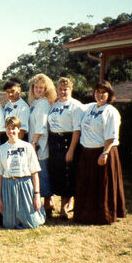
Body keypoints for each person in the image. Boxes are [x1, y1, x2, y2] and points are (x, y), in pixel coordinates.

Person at [75, 81, 126, 225]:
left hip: (103, 152)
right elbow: (75, 106)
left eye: (103, 92)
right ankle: (86, 215)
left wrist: (105, 153)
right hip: (88, 152)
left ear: (109, 95)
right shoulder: (90, 107)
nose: (100, 95)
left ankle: (103, 216)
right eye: (97, 91)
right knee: (88, 185)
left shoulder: (111, 111)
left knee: (103, 185)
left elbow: (111, 136)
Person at [0, 116, 45, 229]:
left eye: (13, 128)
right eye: (8, 128)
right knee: (9, 225)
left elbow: (35, 173)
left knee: (32, 224)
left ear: (18, 129)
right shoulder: (1, 149)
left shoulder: (27, 147)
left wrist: (37, 194)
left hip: (25, 184)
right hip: (8, 185)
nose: (11, 131)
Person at [47, 77, 84, 219]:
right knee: (58, 174)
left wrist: (71, 150)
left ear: (71, 90)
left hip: (68, 141)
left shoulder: (76, 106)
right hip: (54, 141)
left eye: (65, 89)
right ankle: (57, 205)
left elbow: (77, 130)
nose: (63, 92)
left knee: (68, 175)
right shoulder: (54, 104)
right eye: (60, 89)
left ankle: (65, 209)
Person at [28, 73, 56, 216]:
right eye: (36, 87)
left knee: (42, 173)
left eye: (41, 87)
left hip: (39, 144)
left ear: (46, 89)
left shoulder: (44, 103)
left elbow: (41, 125)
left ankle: (48, 203)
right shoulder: (35, 103)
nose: (38, 90)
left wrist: (33, 142)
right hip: (33, 142)